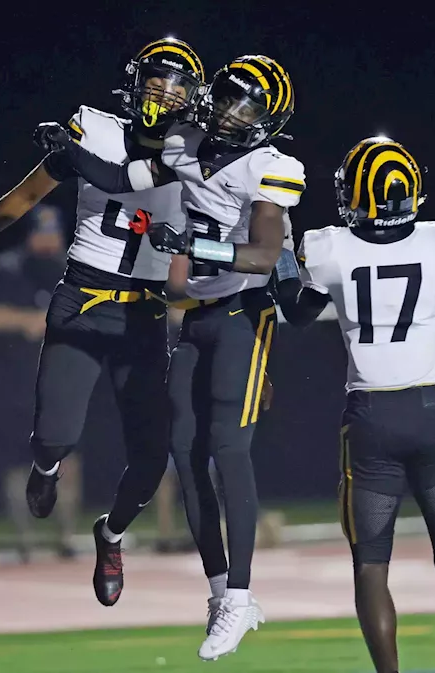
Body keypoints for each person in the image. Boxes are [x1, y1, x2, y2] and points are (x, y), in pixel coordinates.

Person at [36, 54, 305, 660]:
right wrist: (66, 150)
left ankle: (240, 597)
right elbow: (117, 179)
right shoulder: (184, 142)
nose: (234, 111)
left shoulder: (271, 165)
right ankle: (218, 595)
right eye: (231, 95)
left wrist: (191, 243)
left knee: (228, 451)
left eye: (249, 106)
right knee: (184, 456)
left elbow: (262, 255)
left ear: (268, 122)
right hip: (198, 316)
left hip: (244, 314)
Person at [0, 37, 206, 607]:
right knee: (56, 434)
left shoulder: (201, 152)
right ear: (134, 83)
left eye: (176, 84)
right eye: (155, 79)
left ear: (195, 98)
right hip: (83, 298)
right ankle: (47, 464)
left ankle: (110, 536)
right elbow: (29, 192)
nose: (163, 92)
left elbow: (198, 213)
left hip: (146, 310)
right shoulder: (98, 129)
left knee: (153, 456)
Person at [278, 136, 435, 673]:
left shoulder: (329, 250)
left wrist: (281, 255)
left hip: (371, 418)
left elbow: (296, 313)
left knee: (371, 564)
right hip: (433, 413)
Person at [0, 205, 81, 562]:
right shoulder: (7, 270)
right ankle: (25, 542)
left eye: (54, 236)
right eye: (42, 235)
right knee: (18, 464)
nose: (48, 244)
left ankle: (66, 538)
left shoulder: (69, 269)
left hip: (59, 383)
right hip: (13, 385)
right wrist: (33, 320)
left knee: (68, 461)